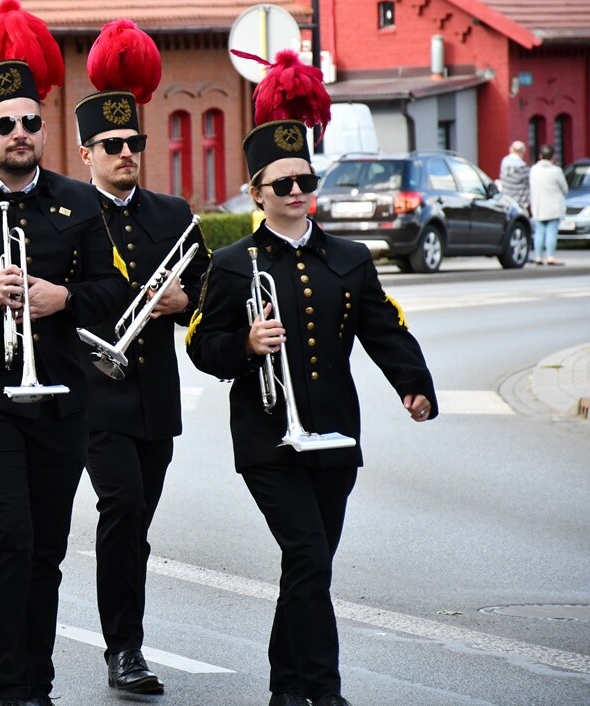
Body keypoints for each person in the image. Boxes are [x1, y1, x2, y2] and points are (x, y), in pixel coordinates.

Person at [186, 51, 437, 706]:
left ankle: (285, 689)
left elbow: (384, 330)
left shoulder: (349, 259)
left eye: (306, 179)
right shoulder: (234, 263)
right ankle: (323, 691)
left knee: (310, 568)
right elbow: (201, 347)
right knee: (307, 558)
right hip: (269, 441)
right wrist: (244, 342)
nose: (298, 191)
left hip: (334, 435)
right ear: (258, 191)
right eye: (283, 183)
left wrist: (414, 384)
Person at [0, 0, 129, 706]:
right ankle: (6, 685)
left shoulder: (77, 200)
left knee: (45, 548)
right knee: (4, 535)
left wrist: (62, 299)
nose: (19, 133)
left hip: (61, 395)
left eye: (31, 123)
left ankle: (35, 680)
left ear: (44, 130)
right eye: (5, 124)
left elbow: (110, 289)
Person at [73, 20, 210, 696]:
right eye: (112, 145)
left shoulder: (172, 212)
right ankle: (123, 648)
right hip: (94, 394)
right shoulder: (67, 213)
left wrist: (185, 301)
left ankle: (125, 632)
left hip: (156, 394)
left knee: (137, 524)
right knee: (121, 508)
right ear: (86, 152)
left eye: (134, 143)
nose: (126, 152)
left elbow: (209, 290)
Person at [528, 144, 568, 266]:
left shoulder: (533, 170)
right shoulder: (556, 171)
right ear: (553, 157)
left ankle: (538, 257)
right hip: (554, 206)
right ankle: (550, 257)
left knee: (539, 231)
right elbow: (564, 189)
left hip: (538, 205)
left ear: (540, 156)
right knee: (551, 232)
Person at [498, 140, 529, 212]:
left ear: (511, 149)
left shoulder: (504, 162)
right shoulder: (524, 168)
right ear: (523, 151)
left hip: (506, 201)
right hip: (520, 204)